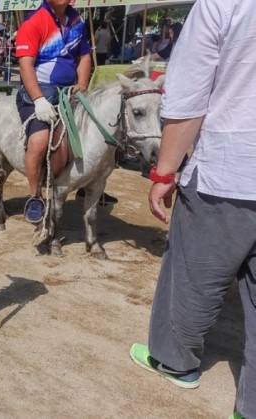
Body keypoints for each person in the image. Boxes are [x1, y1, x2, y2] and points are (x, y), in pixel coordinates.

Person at [129, 2, 256, 418]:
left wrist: (164, 171)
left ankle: (175, 360)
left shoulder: (221, 4)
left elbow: (187, 97)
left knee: (192, 273)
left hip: (230, 168)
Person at [14, 0, 91, 223]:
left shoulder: (77, 21)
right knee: (39, 141)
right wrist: (38, 100)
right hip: (39, 91)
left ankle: (91, 182)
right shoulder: (33, 22)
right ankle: (35, 196)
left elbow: (84, 55)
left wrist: (83, 84)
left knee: (102, 127)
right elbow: (26, 65)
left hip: (69, 91)